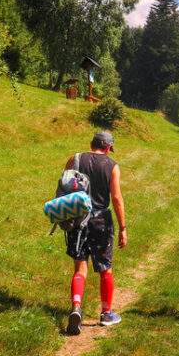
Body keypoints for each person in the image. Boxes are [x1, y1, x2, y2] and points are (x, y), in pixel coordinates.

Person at [62, 131, 128, 335]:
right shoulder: (111, 165)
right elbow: (116, 198)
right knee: (105, 269)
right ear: (108, 147)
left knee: (80, 269)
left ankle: (76, 307)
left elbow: (64, 187)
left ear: (92, 144)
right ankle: (106, 313)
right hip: (101, 221)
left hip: (77, 219)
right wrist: (123, 227)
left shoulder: (75, 159)